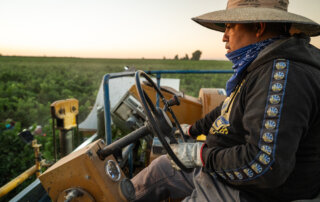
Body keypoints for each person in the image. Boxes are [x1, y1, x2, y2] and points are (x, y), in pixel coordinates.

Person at [132, 0, 320, 201]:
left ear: (258, 27)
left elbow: (264, 165)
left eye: (230, 26)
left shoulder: (282, 76)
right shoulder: (262, 64)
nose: (224, 36)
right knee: (161, 168)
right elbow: (229, 107)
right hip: (223, 170)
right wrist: (192, 130)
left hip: (254, 192)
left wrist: (201, 156)